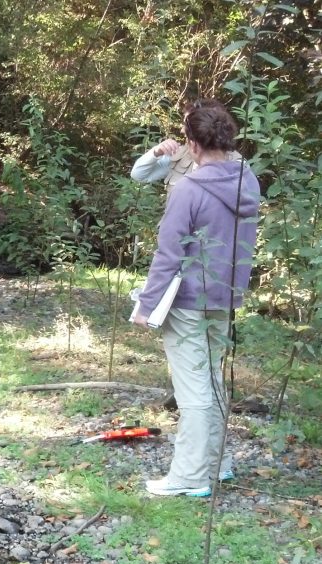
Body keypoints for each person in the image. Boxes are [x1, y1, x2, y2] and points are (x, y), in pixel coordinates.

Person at [131, 101, 260, 497]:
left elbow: (168, 254)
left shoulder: (189, 188)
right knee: (211, 380)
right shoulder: (247, 179)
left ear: (193, 144)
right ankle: (217, 464)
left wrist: (147, 306)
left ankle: (189, 476)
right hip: (226, 295)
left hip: (188, 300)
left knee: (193, 390)